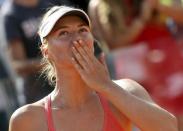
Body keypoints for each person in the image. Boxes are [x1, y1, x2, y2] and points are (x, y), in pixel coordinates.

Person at [9, 6, 178, 131]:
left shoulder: (125, 89)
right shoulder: (27, 119)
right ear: (46, 51)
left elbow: (169, 128)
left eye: (82, 30)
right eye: (63, 33)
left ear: (92, 41)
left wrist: (107, 86)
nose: (77, 39)